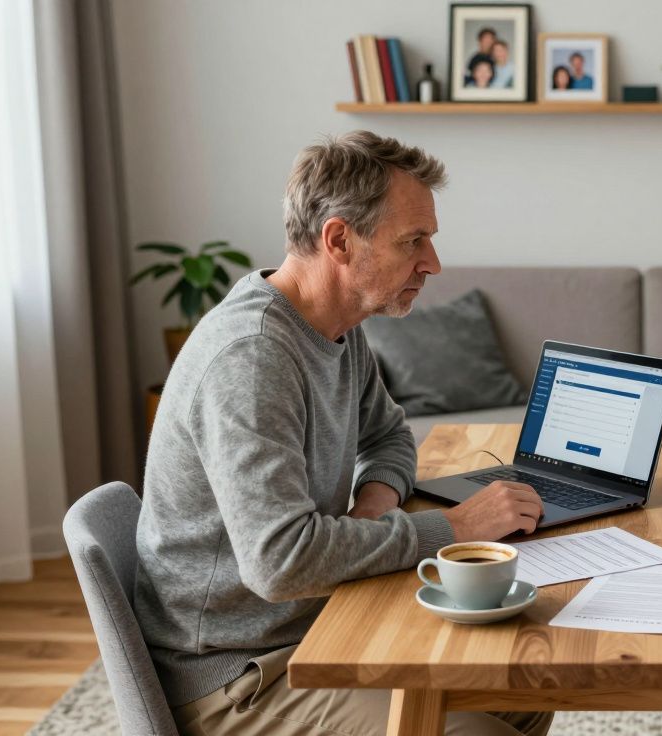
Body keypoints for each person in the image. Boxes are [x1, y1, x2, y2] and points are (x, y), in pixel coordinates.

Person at [133, 130, 553, 736]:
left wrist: (373, 508)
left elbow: (388, 437)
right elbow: (280, 563)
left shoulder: (337, 327)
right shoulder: (251, 360)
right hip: (235, 677)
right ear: (339, 239)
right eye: (414, 241)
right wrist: (455, 529)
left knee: (523, 686)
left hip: (306, 622)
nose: (432, 263)